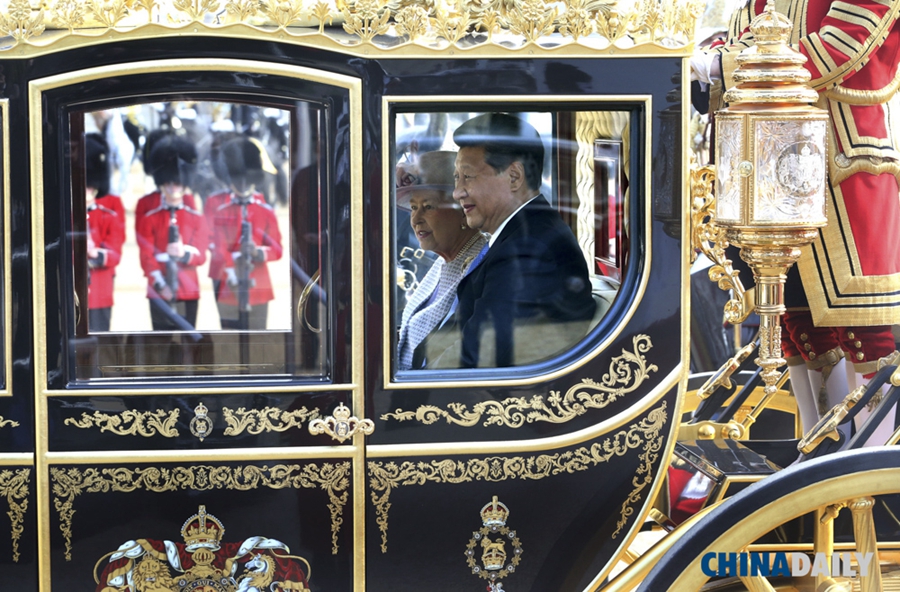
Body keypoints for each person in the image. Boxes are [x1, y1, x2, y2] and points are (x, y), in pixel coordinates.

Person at [692, 0, 900, 444]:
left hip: (839, 173)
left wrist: (721, 65)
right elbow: (737, 43)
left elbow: (837, 50)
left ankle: (873, 475)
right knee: (799, 326)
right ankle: (825, 459)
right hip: (769, 174)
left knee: (864, 330)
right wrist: (710, 63)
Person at [449, 113, 595, 368]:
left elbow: (478, 357)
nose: (457, 192)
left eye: (468, 177)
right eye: (456, 177)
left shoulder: (529, 251)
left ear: (514, 177)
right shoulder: (523, 234)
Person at [395, 150, 487, 370]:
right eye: (414, 208)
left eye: (428, 207)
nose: (416, 219)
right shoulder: (442, 261)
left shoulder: (480, 263)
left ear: (462, 209)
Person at [208, 136, 283, 330]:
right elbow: (212, 243)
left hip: (257, 282)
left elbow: (276, 248)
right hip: (226, 279)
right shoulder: (217, 205)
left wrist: (257, 252)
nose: (242, 183)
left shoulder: (263, 208)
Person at [137, 134, 209, 330]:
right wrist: (161, 286)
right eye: (168, 183)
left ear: (185, 184)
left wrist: (184, 253)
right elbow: (146, 257)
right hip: (159, 288)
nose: (172, 187)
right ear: (162, 183)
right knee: (161, 346)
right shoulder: (150, 218)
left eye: (177, 183)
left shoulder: (196, 218)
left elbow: (201, 255)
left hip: (188, 289)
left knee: (187, 345)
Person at [84, 133, 125, 332]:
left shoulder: (109, 213)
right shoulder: (64, 214)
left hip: (100, 288)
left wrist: (95, 254)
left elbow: (115, 250)